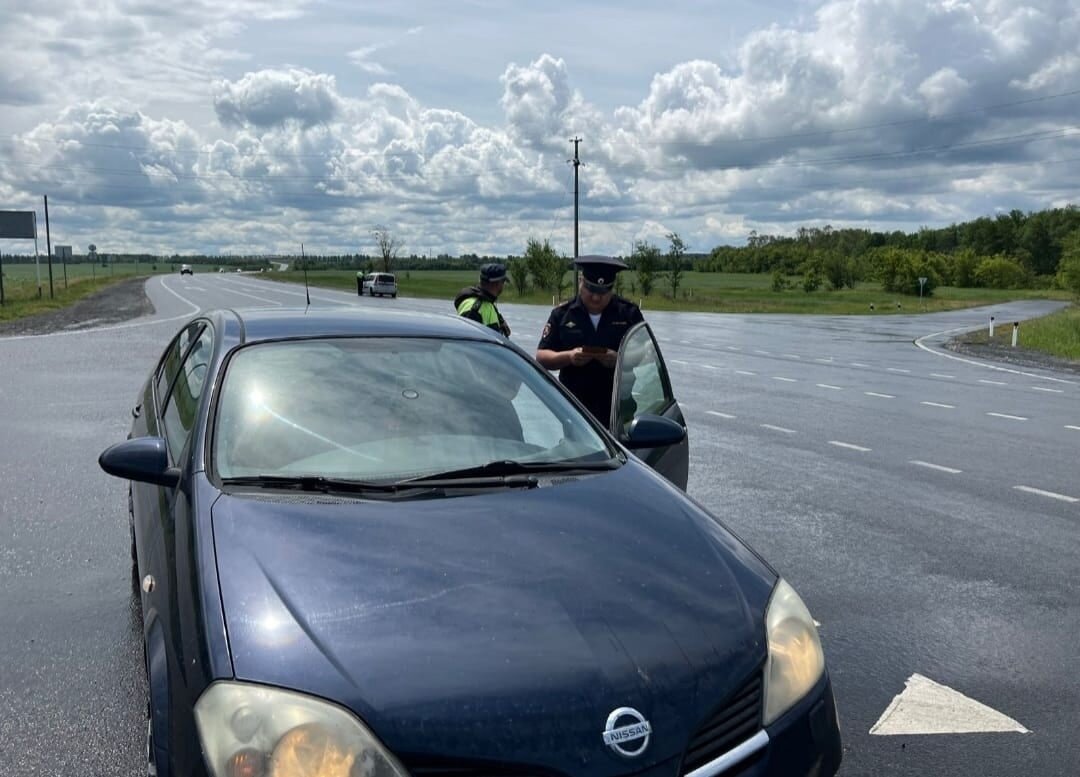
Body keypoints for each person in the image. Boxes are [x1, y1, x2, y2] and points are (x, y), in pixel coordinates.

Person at [535, 255, 644, 423]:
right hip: (575, 410)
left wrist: (619, 360)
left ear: (611, 288)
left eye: (603, 292)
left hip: (618, 408)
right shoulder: (563, 314)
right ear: (581, 282)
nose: (596, 298)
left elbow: (644, 353)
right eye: (591, 290)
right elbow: (542, 356)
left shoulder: (628, 313)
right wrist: (569, 357)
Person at [454, 263, 511, 336]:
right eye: (503, 282)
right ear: (496, 284)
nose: (503, 285)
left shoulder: (487, 302)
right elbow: (467, 342)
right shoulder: (474, 309)